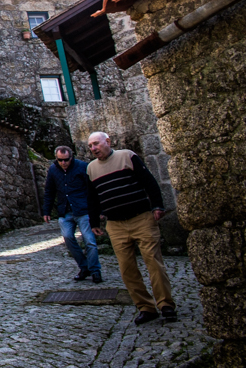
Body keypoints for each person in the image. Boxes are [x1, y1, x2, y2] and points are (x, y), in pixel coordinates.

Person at [86, 131, 176, 326]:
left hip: (141, 219)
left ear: (107, 141)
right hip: (116, 225)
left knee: (153, 262)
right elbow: (92, 198)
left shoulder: (127, 156)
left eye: (96, 144)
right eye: (90, 146)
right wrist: (94, 222)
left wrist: (157, 206)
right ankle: (145, 307)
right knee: (127, 269)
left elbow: (149, 182)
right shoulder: (91, 169)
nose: (93, 149)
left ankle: (166, 304)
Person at [42, 145, 102, 283]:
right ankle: (84, 267)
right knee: (68, 238)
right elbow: (49, 191)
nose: (63, 163)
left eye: (66, 160)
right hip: (65, 211)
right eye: (60, 160)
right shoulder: (53, 170)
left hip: (83, 210)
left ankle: (95, 270)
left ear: (71, 157)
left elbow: (93, 190)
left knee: (90, 241)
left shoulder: (83, 167)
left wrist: (98, 210)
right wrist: (47, 211)